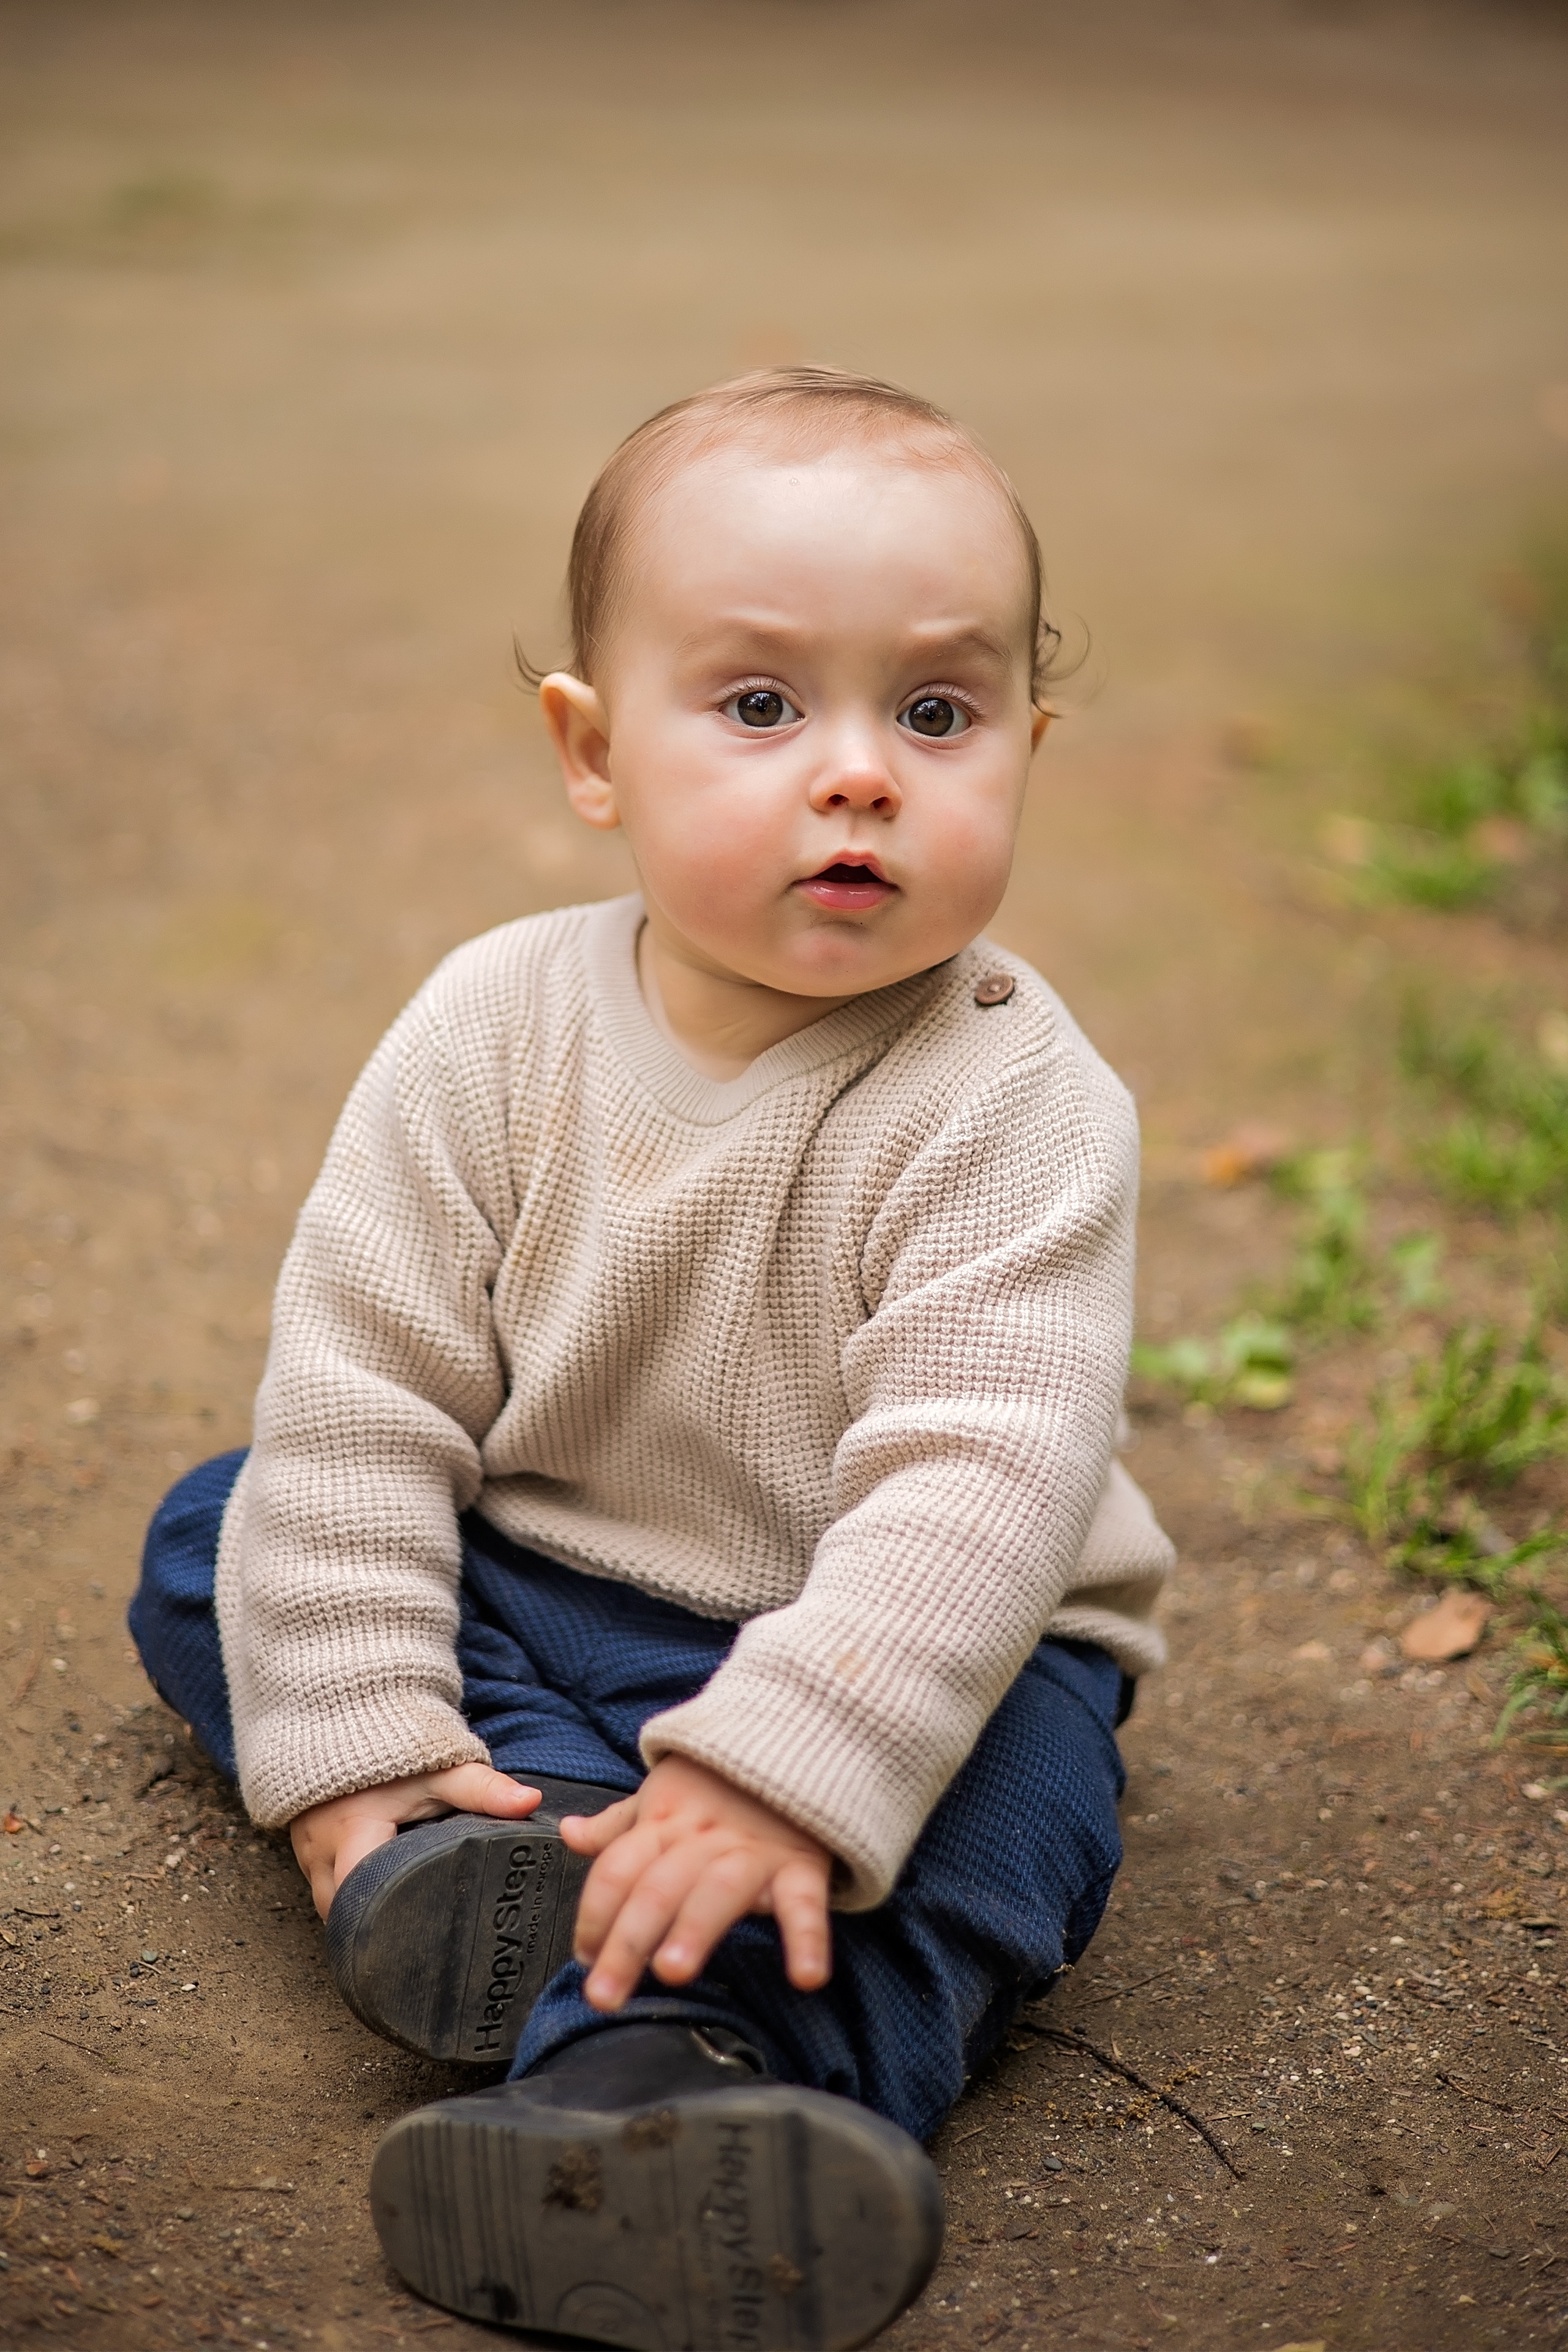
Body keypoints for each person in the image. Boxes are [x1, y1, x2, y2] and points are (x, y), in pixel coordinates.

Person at [129, 366, 1172, 2352]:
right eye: (764, 705)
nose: (860, 772)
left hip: (920, 1642)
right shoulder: (489, 1030)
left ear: (1027, 750)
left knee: (1020, 1802)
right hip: (561, 1575)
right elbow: (363, 1397)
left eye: (937, 714)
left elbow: (976, 1490)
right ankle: (439, 1859)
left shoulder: (1018, 1105)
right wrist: (349, 1756)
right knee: (236, 1528)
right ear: (594, 752)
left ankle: (677, 2090)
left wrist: (786, 1773)